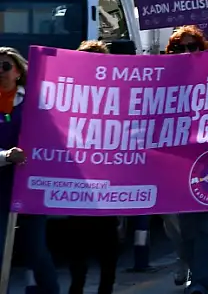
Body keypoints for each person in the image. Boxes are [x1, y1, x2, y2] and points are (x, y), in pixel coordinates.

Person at [0, 47, 60, 294]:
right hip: (1, 187)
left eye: (5, 67)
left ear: (17, 72)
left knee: (36, 250)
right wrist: (6, 156)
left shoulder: (35, 101)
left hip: (30, 186)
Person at [165, 26, 208, 294]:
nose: (186, 52)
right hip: (175, 165)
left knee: (205, 228)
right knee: (181, 230)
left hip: (207, 164)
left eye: (192, 46)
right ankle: (186, 261)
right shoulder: (162, 80)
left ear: (201, 48)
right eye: (179, 48)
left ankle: (201, 283)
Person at [65, 42, 123, 294]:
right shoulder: (67, 92)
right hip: (77, 181)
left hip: (108, 184)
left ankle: (105, 288)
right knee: (76, 243)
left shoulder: (121, 93)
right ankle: (76, 286)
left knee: (108, 244)